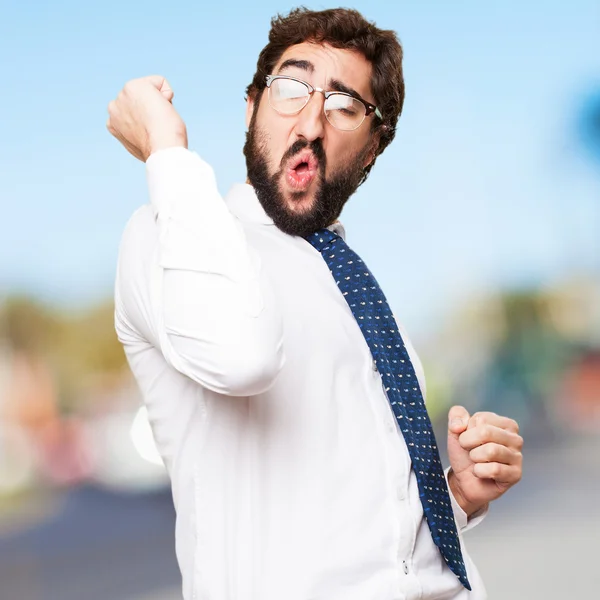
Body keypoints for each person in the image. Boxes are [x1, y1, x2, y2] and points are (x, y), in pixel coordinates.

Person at [107, 7, 523, 600]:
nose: (310, 122)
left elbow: (368, 542)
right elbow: (241, 354)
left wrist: (457, 496)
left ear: (372, 148)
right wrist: (166, 152)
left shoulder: (358, 286)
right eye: (291, 88)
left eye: (344, 105)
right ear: (251, 108)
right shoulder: (162, 240)